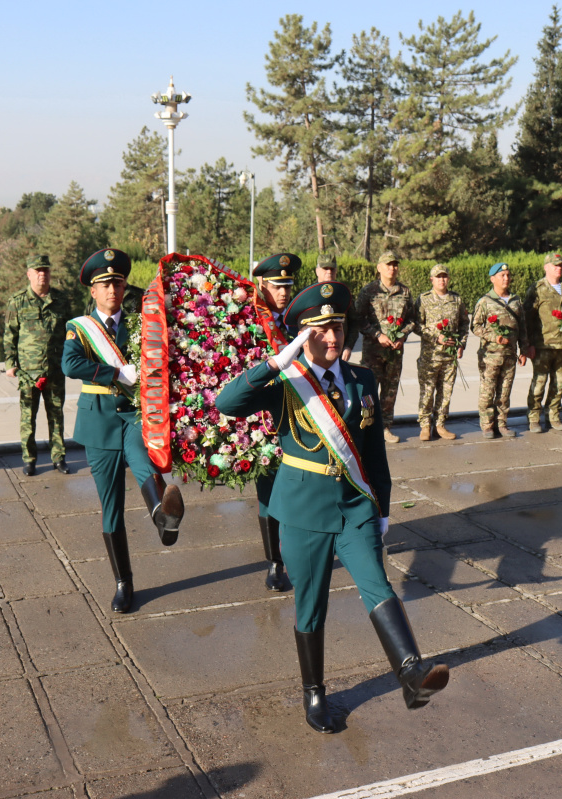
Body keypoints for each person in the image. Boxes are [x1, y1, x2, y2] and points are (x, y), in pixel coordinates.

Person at [216, 281, 448, 734]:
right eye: (319, 329)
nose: (332, 337)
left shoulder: (361, 378)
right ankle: (315, 692)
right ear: (302, 336)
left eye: (337, 326)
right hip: (304, 509)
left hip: (354, 505)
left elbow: (374, 450)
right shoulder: (285, 381)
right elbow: (228, 404)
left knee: (377, 582)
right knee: (311, 602)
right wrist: (274, 362)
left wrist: (380, 505)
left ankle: (411, 672)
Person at [61, 248, 184, 614]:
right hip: (99, 420)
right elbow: (70, 363)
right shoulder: (78, 327)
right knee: (110, 505)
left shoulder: (139, 322)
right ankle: (123, 582)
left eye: (117, 282)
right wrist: (116, 373)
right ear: (93, 291)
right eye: (104, 284)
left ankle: (164, 516)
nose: (112, 289)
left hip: (133, 414)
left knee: (143, 460)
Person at [251, 252, 300, 592]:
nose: (283, 293)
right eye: (276, 286)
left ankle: (301, 551)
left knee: (300, 487)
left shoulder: (300, 319)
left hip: (298, 415)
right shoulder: (249, 320)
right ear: (262, 285)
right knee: (268, 493)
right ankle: (275, 562)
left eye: (287, 286)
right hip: (264, 419)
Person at [4, 254, 71, 476]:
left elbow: (70, 333)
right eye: (37, 271)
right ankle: (29, 459)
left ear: (50, 273)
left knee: (56, 416)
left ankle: (58, 458)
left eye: (45, 270)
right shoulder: (18, 301)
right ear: (29, 274)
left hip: (54, 369)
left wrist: (71, 360)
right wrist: (10, 363)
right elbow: (10, 334)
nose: (42, 274)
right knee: (27, 418)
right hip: (27, 372)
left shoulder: (61, 300)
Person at [352, 251, 416, 443]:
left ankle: (385, 428)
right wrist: (377, 334)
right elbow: (358, 318)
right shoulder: (368, 291)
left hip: (394, 353)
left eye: (395, 264)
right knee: (368, 391)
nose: (392, 268)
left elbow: (412, 319)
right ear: (379, 267)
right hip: (373, 352)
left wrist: (403, 335)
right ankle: (366, 428)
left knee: (390, 392)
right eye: (388, 264)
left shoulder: (405, 292)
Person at [471, 262, 530, 439]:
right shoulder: (485, 301)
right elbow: (475, 326)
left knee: (505, 392)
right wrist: (492, 336)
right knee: (487, 392)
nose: (506, 278)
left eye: (508, 275)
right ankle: (488, 426)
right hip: (490, 356)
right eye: (502, 276)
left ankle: (502, 424)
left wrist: (524, 349)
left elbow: (522, 327)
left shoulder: (516, 300)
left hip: (510, 355)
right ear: (492, 279)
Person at [523, 253, 562, 433]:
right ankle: (534, 417)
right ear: (546, 267)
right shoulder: (537, 289)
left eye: (561, 265)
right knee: (539, 382)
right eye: (555, 265)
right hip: (543, 345)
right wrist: (528, 344)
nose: (558, 268)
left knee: (560, 383)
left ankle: (553, 414)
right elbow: (527, 318)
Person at [414, 264, 468, 441]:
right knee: (427, 391)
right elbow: (417, 325)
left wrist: (461, 344)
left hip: (449, 357)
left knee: (446, 392)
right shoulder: (424, 299)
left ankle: (440, 424)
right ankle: (425, 425)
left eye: (444, 276)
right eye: (438, 277)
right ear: (432, 280)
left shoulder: (456, 299)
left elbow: (464, 324)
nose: (442, 280)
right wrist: (435, 336)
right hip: (430, 356)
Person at [315, 253, 354, 362]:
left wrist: (348, 346)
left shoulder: (344, 293)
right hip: (316, 353)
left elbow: (354, 322)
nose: (329, 272)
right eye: (325, 268)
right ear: (317, 270)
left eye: (332, 269)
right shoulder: (310, 295)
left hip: (339, 352)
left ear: (336, 271)